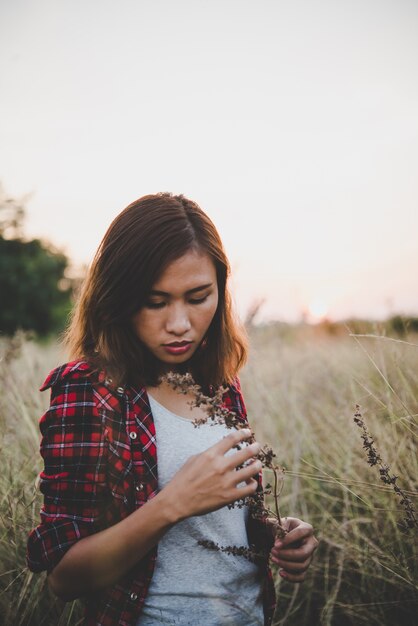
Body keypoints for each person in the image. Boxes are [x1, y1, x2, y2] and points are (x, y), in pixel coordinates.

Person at [27, 193, 318, 626]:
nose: (180, 324)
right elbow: (65, 577)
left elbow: (221, 528)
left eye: (199, 297)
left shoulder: (220, 385)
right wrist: (172, 504)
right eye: (155, 302)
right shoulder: (89, 390)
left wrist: (277, 536)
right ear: (118, 300)